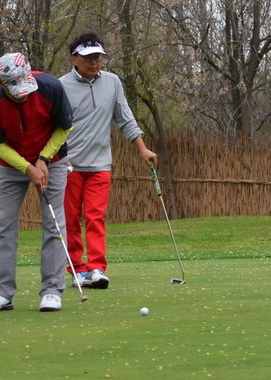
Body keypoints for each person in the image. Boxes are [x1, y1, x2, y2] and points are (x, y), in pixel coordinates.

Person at [60, 32, 157, 290]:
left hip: (100, 164)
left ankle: (96, 268)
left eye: (98, 58)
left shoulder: (112, 82)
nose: (94, 63)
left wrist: (143, 149)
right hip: (69, 165)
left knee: (95, 217)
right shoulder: (60, 86)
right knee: (70, 219)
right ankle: (77, 269)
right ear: (75, 59)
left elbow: (125, 118)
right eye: (88, 58)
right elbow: (53, 126)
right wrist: (61, 158)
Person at [0, 52, 73, 312]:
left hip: (51, 160)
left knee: (54, 224)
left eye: (25, 85)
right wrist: (28, 167)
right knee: (4, 227)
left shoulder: (51, 87)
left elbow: (64, 128)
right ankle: (1, 292)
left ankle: (52, 290)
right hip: (12, 165)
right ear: (1, 82)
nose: (23, 93)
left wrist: (43, 159)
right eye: (15, 88)